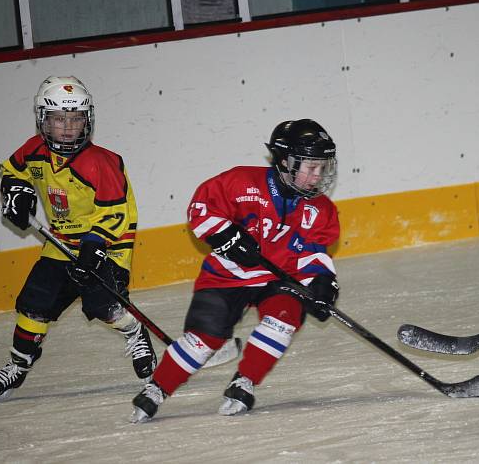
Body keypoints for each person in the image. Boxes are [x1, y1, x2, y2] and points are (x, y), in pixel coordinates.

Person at [130, 118, 340, 422]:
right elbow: (201, 207)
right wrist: (224, 234)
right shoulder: (242, 182)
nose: (317, 176)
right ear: (285, 161)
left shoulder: (320, 209)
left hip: (278, 279)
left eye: (322, 168)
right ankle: (157, 388)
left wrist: (322, 283)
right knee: (204, 340)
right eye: (310, 167)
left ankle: (246, 381)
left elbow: (312, 252)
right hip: (227, 276)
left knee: (284, 319)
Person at [0, 76, 157, 404]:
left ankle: (136, 333)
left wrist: (93, 249)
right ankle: (18, 365)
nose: (68, 127)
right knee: (33, 305)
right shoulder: (33, 152)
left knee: (106, 307)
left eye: (75, 119)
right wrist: (17, 192)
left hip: (106, 245)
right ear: (43, 120)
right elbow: (14, 172)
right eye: (59, 119)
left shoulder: (101, 162)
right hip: (59, 244)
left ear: (87, 121)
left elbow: (117, 215)